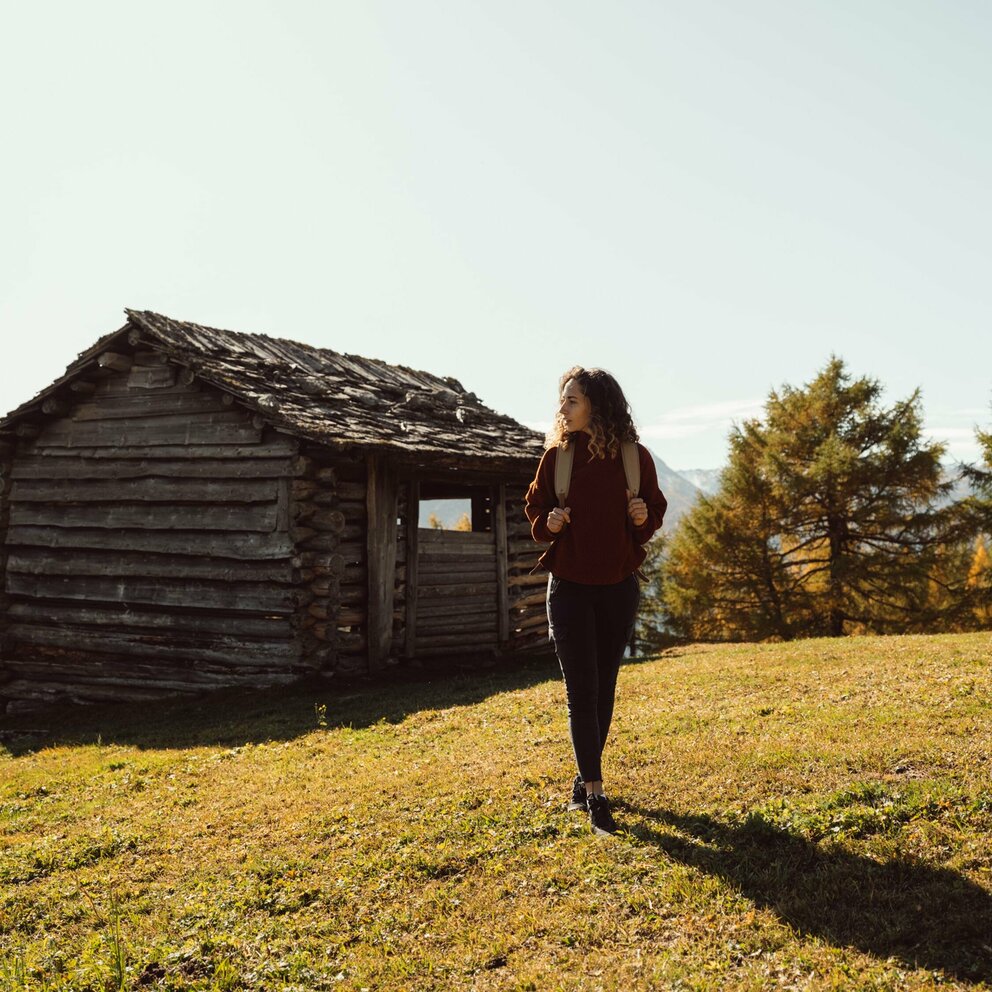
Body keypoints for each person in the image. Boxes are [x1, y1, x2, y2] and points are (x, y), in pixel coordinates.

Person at [524, 367, 667, 836]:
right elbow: (535, 511)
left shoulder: (634, 457)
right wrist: (550, 522)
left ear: (597, 406)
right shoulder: (557, 458)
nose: (562, 409)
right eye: (563, 400)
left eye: (572, 401)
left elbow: (652, 512)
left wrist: (641, 516)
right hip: (568, 588)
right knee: (580, 692)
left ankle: (582, 781)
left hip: (618, 587)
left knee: (604, 689)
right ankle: (596, 794)